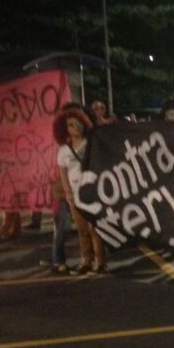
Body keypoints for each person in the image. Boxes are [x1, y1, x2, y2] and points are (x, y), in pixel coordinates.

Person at [54, 107, 107, 275]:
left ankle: (100, 261)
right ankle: (86, 260)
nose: (75, 127)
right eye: (70, 124)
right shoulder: (63, 151)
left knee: (95, 229)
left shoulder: (92, 143)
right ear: (65, 129)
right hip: (75, 196)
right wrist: (68, 193)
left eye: (77, 123)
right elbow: (63, 174)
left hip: (93, 192)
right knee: (82, 230)